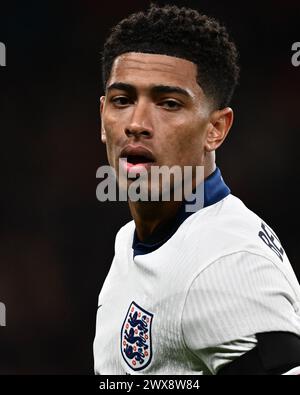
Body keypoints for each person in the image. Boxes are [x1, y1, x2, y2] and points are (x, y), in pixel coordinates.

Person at [93, 4, 300, 375]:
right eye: (123, 100)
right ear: (103, 119)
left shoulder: (230, 263)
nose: (137, 123)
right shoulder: (131, 242)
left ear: (215, 129)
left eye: (169, 104)